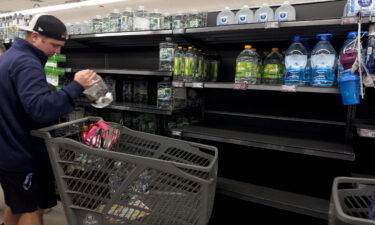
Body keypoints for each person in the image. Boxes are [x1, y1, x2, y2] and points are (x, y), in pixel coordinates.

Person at [0, 14, 100, 225]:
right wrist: (76, 86)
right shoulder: (26, 63)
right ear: (35, 36)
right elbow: (41, 109)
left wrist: (50, 91)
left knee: (17, 205)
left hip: (9, 149)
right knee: (32, 209)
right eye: (54, 45)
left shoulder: (12, 56)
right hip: (22, 153)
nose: (58, 51)